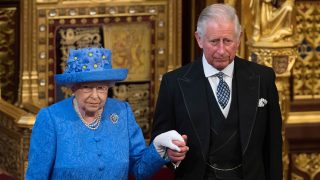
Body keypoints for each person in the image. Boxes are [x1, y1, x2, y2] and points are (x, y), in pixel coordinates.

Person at [151, 3, 282, 180]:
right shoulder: (173, 83)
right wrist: (170, 155)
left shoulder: (263, 78)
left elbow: (273, 146)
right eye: (214, 41)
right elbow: (160, 140)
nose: (221, 50)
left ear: (239, 38)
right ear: (199, 39)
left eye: (227, 41)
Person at [26, 47, 189, 179]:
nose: (95, 96)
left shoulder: (122, 112)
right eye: (87, 87)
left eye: (101, 88)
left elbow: (140, 171)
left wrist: (158, 147)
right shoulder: (51, 119)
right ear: (73, 88)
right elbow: (36, 176)